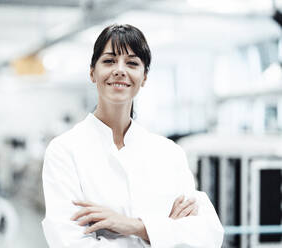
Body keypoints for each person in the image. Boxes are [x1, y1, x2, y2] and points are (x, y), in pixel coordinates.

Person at [41, 24, 224, 247]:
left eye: (132, 63)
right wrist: (163, 233)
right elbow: (68, 242)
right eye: (109, 61)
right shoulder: (64, 151)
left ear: (144, 77)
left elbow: (206, 235)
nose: (120, 70)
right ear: (92, 72)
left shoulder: (169, 152)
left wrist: (133, 226)